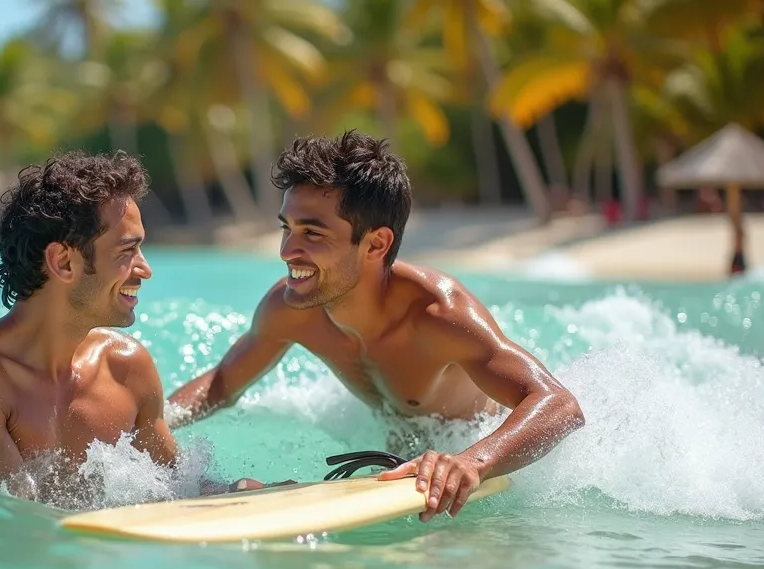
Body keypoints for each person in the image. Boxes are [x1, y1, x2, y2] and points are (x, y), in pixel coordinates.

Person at [167, 131, 586, 522]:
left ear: (376, 243)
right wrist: (149, 425)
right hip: (398, 440)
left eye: (312, 233)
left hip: (470, 440)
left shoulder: (437, 315)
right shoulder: (289, 306)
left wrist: (472, 461)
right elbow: (223, 383)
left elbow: (560, 405)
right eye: (287, 228)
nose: (287, 251)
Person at [0, 150, 271, 503]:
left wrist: (236, 494)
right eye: (127, 251)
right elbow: (15, 526)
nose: (145, 269)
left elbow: (177, 489)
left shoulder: (126, 367)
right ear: (64, 262)